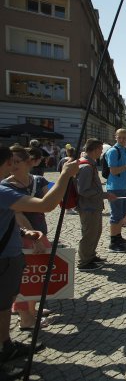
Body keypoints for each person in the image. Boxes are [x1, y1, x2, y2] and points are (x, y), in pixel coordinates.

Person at [0, 145, 78, 378]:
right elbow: (46, 205)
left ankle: (6, 346)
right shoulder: (3, 190)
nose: (11, 167)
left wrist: (24, 233)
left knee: (4, 305)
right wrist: (65, 174)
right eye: (8, 163)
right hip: (3, 258)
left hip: (10, 253)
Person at [1, 146, 52, 331]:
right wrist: (33, 236)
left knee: (37, 276)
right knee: (24, 279)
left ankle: (32, 310)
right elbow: (18, 214)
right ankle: (26, 318)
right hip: (20, 235)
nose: (13, 165)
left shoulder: (37, 180)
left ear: (28, 162)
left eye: (17, 161)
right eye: (10, 162)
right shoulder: (6, 186)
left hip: (40, 229)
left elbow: (50, 203)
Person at [75, 139, 117, 271]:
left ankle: (90, 256)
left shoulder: (90, 164)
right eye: (100, 149)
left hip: (93, 206)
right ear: (95, 150)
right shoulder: (86, 167)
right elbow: (83, 190)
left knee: (95, 233)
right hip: (88, 207)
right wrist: (104, 195)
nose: (101, 152)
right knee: (89, 234)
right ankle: (84, 262)